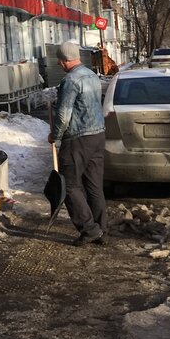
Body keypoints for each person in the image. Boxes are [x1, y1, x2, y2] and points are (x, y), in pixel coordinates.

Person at [47, 39, 107, 246]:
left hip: (78, 139)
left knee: (69, 185)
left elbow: (63, 115)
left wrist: (55, 135)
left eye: (59, 60)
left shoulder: (71, 80)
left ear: (65, 60)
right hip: (97, 136)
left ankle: (90, 229)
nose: (58, 64)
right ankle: (102, 230)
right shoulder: (92, 75)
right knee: (94, 186)